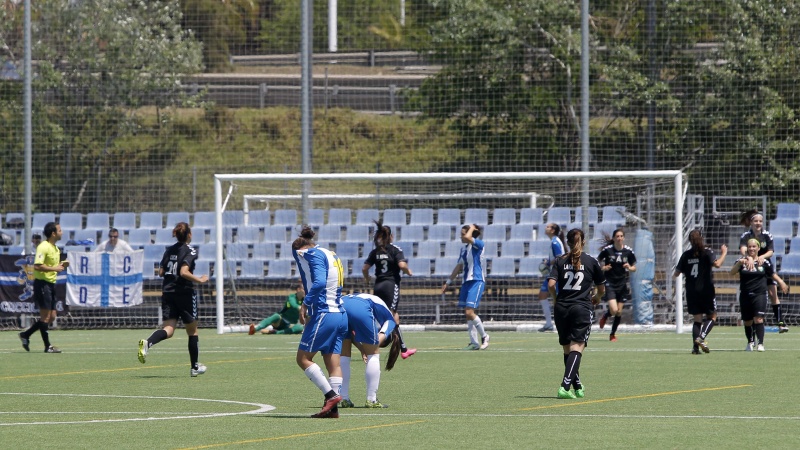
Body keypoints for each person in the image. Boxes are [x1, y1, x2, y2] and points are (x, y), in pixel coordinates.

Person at [137, 222, 209, 376]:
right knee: (192, 331)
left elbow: (161, 272)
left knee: (169, 329)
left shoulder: (169, 250)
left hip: (168, 292)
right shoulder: (190, 250)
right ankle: (194, 367)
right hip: (184, 293)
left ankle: (147, 343)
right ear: (189, 234)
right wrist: (200, 279)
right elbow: (183, 272)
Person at [292, 226, 348, 419]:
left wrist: (305, 304)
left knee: (303, 359)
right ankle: (332, 410)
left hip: (325, 313)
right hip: (340, 313)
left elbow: (319, 283)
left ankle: (331, 396)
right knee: (333, 363)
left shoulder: (310, 254)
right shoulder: (331, 253)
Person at [548, 228, 605, 399]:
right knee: (577, 348)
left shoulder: (559, 261)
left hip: (562, 309)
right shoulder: (591, 261)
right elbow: (601, 288)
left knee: (568, 350)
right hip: (581, 308)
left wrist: (556, 299)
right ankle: (565, 387)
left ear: (568, 242)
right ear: (584, 242)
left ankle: (578, 386)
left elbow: (551, 284)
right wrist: (598, 297)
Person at [337, 292, 403, 409]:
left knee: (344, 355)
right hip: (359, 307)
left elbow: (351, 336)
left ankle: (343, 399)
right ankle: (371, 399)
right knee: (373, 354)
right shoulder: (388, 317)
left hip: (340, 304)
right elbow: (388, 325)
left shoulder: (370, 299)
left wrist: (363, 349)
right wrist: (374, 346)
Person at [362, 220, 416, 359]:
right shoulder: (395, 249)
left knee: (388, 316)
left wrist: (367, 278)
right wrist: (408, 271)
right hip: (391, 286)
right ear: (391, 236)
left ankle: (403, 349)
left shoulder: (376, 251)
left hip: (378, 286)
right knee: (391, 317)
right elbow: (402, 264)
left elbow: (365, 268)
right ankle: (372, 346)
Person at [673, 229, 727, 354]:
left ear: (689, 241)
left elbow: (676, 273)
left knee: (697, 319)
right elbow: (717, 264)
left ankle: (695, 348)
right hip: (706, 290)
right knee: (712, 316)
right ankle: (701, 337)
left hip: (691, 291)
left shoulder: (686, 255)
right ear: (701, 238)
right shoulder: (707, 252)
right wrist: (724, 253)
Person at [731, 238, 788, 352]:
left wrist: (781, 282)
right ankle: (750, 342)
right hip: (745, 295)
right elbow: (732, 273)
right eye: (750, 246)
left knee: (759, 319)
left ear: (758, 248)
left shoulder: (764, 262)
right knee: (747, 321)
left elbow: (772, 274)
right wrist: (740, 263)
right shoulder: (741, 261)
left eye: (754, 246)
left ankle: (760, 343)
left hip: (760, 294)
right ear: (747, 248)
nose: (752, 248)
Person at [18, 222, 67, 353]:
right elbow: (38, 266)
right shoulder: (43, 247)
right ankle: (47, 347)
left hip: (51, 285)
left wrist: (61, 265)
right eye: (60, 230)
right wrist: (55, 268)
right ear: (53, 233)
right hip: (42, 285)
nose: (62, 232)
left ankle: (26, 335)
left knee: (52, 317)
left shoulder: (56, 248)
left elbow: (52, 266)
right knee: (45, 317)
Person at [441, 224, 490, 350]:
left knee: (469, 311)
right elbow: (459, 267)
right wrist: (448, 282)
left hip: (477, 280)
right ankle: (474, 343)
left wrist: (472, 228)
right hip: (466, 282)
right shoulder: (463, 249)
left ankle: (485, 336)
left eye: (463, 234)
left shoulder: (479, 244)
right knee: (468, 314)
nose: (461, 236)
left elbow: (469, 237)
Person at [739, 210, 787, 332]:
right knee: (752, 295)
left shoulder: (767, 235)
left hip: (765, 267)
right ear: (751, 222)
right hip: (751, 268)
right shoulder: (746, 236)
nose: (758, 223)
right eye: (756, 221)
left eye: (760, 221)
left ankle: (781, 323)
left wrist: (762, 257)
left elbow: (771, 251)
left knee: (773, 294)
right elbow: (743, 249)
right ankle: (754, 322)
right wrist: (750, 258)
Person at [597, 229, 637, 342]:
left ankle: (612, 334)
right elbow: (597, 263)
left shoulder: (628, 251)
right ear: (614, 238)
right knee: (614, 310)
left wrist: (629, 267)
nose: (619, 238)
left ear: (623, 238)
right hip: (610, 283)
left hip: (622, 284)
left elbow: (634, 268)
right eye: (617, 236)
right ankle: (606, 315)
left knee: (619, 311)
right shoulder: (607, 250)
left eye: (621, 236)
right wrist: (603, 268)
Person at [537, 223, 566, 332]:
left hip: (557, 274)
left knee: (559, 300)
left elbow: (560, 257)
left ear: (553, 230)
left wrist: (548, 263)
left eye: (548, 227)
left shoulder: (555, 242)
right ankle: (549, 323)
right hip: (552, 274)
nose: (546, 228)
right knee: (542, 295)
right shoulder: (554, 241)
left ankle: (563, 323)